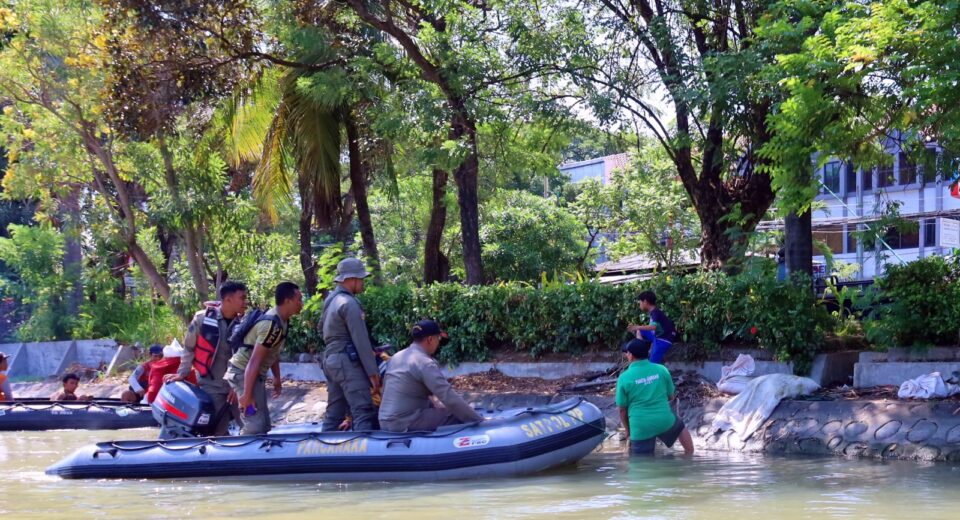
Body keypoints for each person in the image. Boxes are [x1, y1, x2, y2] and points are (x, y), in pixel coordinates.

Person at [165, 280, 248, 435]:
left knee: (252, 424)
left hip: (239, 386)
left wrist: (237, 384)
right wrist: (182, 373)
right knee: (215, 430)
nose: (246, 302)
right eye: (242, 298)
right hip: (212, 385)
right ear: (228, 299)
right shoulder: (202, 319)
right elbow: (189, 348)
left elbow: (248, 357)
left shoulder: (244, 323)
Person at [225, 281, 303, 435]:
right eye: (299, 299)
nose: (301, 303)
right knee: (255, 427)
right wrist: (246, 395)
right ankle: (238, 455)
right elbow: (254, 361)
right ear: (288, 301)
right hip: (243, 373)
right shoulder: (271, 324)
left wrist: (277, 378)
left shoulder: (283, 321)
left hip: (253, 375)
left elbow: (272, 352)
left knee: (264, 425)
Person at [379, 320, 484, 432]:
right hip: (404, 422)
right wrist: (478, 420)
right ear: (430, 339)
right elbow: (448, 396)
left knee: (440, 408)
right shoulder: (424, 363)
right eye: (438, 338)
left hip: (384, 420)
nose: (438, 343)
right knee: (456, 414)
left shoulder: (396, 357)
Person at [320, 258, 381, 432]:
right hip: (346, 362)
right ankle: (364, 456)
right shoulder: (350, 304)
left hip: (330, 360)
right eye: (361, 279)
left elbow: (320, 329)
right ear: (351, 279)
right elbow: (361, 341)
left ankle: (323, 452)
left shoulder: (330, 300)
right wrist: (373, 373)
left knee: (335, 411)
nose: (363, 283)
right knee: (362, 410)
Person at [616, 338, 693, 456]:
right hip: (664, 420)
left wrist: (628, 430)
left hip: (640, 426)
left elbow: (622, 410)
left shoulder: (624, 377)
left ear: (630, 356)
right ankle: (689, 455)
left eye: (627, 353)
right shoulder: (661, 369)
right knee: (679, 426)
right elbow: (671, 397)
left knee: (641, 465)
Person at [627, 290, 677, 364]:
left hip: (663, 340)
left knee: (653, 363)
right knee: (640, 331)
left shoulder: (655, 313)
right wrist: (638, 328)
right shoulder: (654, 312)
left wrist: (637, 327)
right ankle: (640, 352)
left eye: (640, 302)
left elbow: (653, 327)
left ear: (645, 302)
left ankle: (644, 356)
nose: (639, 305)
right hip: (657, 336)